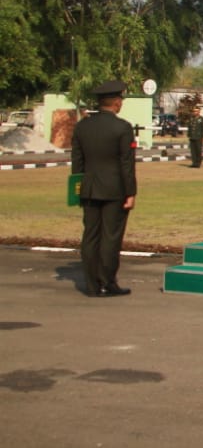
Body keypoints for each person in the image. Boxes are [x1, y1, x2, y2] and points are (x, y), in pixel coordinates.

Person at [71, 80, 137, 297]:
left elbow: (77, 162)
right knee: (111, 236)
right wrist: (131, 193)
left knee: (90, 236)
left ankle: (91, 285)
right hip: (114, 190)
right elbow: (126, 164)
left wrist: (77, 190)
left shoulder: (82, 127)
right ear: (117, 103)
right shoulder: (122, 128)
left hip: (88, 188)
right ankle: (107, 281)